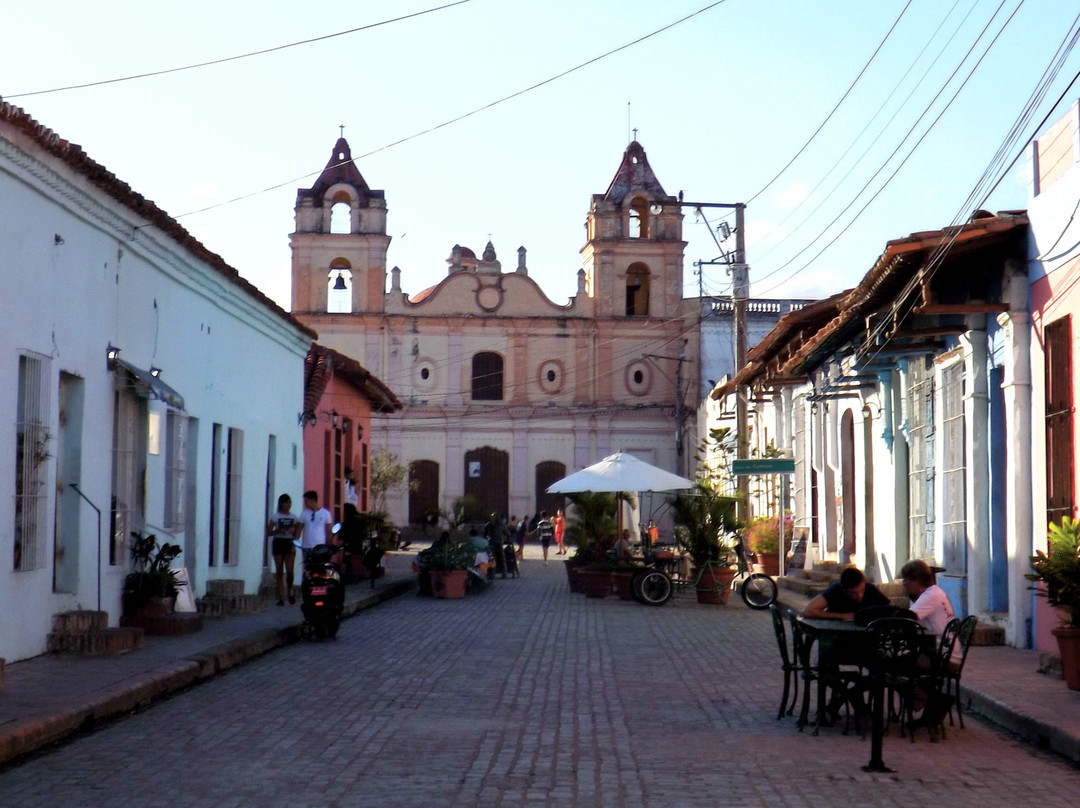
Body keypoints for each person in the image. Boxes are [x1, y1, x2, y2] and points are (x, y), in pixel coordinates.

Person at [802, 566, 891, 621]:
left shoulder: (870, 589)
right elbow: (809, 611)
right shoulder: (836, 590)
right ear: (844, 589)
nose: (860, 596)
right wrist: (841, 616)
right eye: (854, 593)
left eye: (862, 590)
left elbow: (891, 608)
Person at [900, 559, 956, 636]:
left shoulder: (929, 597)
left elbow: (906, 619)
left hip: (939, 645)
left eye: (906, 580)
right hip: (948, 644)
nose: (904, 584)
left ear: (916, 580)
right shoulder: (936, 591)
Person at [267, 493, 300, 605]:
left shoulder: (294, 517)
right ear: (281, 504)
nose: (288, 504)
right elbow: (269, 531)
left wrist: (293, 532)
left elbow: (298, 532)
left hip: (289, 542)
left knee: (290, 570)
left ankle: (290, 590)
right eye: (286, 502)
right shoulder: (275, 516)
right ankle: (281, 596)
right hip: (278, 542)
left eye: (290, 502)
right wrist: (278, 531)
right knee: (279, 571)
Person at [299, 490, 334, 560]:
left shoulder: (325, 513)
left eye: (306, 501)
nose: (305, 503)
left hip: (320, 546)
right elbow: (299, 529)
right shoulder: (304, 514)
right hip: (307, 546)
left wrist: (329, 544)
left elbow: (328, 530)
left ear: (312, 500)